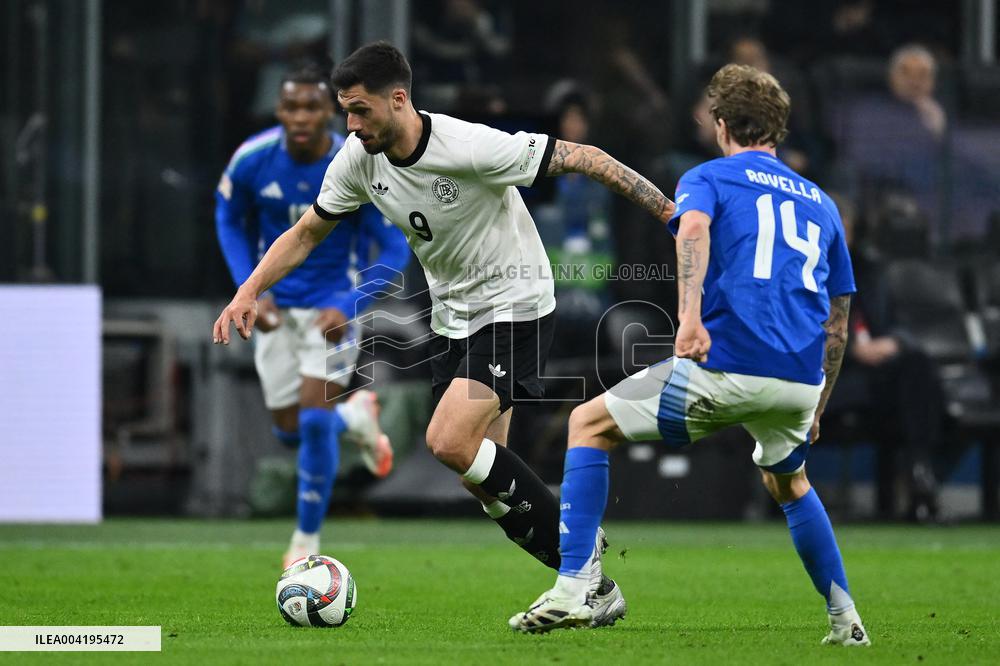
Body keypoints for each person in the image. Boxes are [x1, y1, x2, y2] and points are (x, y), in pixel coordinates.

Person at [213, 41, 676, 628]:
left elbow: (584, 157)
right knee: (487, 479)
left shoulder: (470, 146)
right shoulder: (359, 158)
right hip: (451, 317)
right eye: (345, 112)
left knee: (448, 441)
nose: (350, 126)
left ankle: (579, 563)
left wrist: (669, 213)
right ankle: (588, 579)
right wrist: (248, 290)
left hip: (515, 306)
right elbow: (307, 233)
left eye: (360, 111)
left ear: (399, 99)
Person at [510, 64, 871, 647]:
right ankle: (845, 619)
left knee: (587, 422)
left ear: (720, 123)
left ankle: (575, 585)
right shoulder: (823, 203)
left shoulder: (708, 176)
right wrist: (818, 405)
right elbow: (838, 316)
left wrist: (690, 316)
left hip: (729, 363)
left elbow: (692, 229)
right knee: (790, 482)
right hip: (798, 380)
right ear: (778, 128)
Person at [214, 61, 410, 567]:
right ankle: (357, 415)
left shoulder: (358, 163)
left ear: (331, 112)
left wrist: (350, 305)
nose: (300, 116)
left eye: (312, 107)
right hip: (276, 312)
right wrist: (251, 289)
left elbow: (394, 249)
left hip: (332, 311)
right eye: (291, 106)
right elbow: (228, 217)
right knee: (287, 429)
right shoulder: (252, 160)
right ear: (278, 111)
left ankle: (306, 543)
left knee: (314, 424)